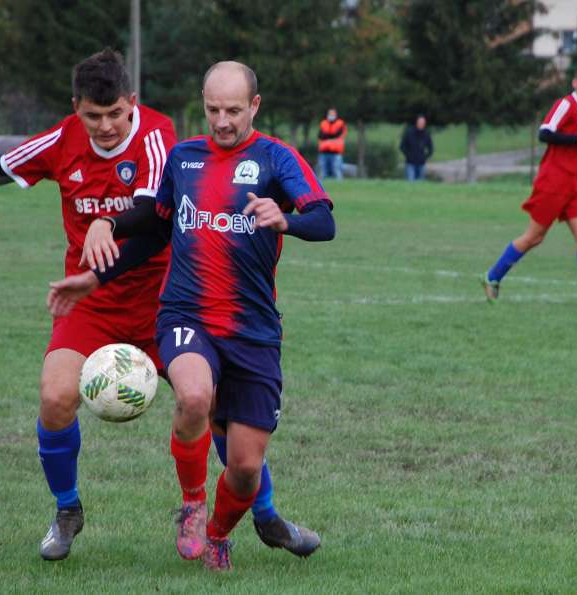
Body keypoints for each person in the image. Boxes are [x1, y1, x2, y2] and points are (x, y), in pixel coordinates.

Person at [0, 49, 318, 562]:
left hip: (163, 300)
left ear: (133, 104)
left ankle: (262, 512)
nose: (107, 126)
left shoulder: (159, 139)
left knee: (214, 411)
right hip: (89, 301)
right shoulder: (63, 139)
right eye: (94, 116)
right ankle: (67, 511)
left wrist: (105, 227)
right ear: (76, 109)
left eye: (116, 114)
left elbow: (154, 224)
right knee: (54, 396)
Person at [76, 61, 336, 571]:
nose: (222, 121)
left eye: (233, 110)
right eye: (213, 109)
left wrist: (287, 219)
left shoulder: (276, 158)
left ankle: (218, 533)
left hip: (254, 331)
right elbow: (156, 221)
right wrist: (106, 221)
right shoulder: (184, 157)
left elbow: (324, 221)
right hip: (186, 314)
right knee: (194, 395)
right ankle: (193, 504)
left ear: (254, 106)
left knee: (243, 467)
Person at [482, 64, 577, 307]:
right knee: (534, 237)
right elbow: (545, 133)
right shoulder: (566, 104)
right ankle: (492, 277)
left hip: (576, 182)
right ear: (575, 83)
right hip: (554, 180)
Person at [399, 114, 433, 181]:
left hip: (421, 164)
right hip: (410, 163)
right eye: (420, 122)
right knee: (410, 183)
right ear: (416, 122)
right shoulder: (409, 132)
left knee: (420, 184)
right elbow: (402, 146)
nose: (421, 124)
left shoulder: (426, 134)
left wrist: (425, 157)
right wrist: (408, 155)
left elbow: (431, 148)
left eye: (423, 122)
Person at [317, 107, 346, 180]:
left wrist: (327, 136)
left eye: (333, 114)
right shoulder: (323, 123)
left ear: (336, 114)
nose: (331, 115)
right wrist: (330, 136)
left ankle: (340, 186)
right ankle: (322, 189)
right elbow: (321, 135)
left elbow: (338, 134)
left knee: (337, 170)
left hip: (336, 151)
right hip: (324, 151)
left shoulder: (340, 123)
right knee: (323, 171)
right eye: (330, 114)